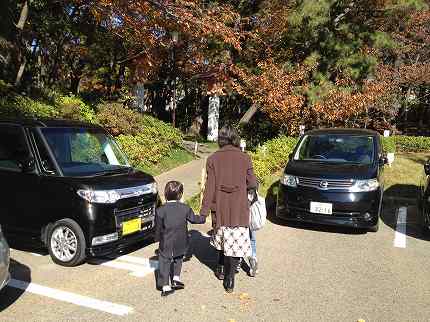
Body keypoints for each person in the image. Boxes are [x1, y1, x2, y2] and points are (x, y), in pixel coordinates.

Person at [200, 125, 258, 293]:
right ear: (235, 139)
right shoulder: (245, 158)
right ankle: (230, 278)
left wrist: (204, 212)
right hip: (239, 207)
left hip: (220, 207)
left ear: (221, 140)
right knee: (235, 243)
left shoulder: (212, 159)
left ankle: (220, 268)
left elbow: (209, 187)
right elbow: (252, 183)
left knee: (222, 238)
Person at [155, 181, 206, 297]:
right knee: (178, 258)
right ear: (180, 195)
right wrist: (203, 217)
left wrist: (157, 238)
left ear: (165, 194)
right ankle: (176, 279)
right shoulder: (185, 208)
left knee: (164, 262)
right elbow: (194, 219)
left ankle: (165, 286)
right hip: (181, 240)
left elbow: (158, 228)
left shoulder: (160, 210)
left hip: (166, 242)